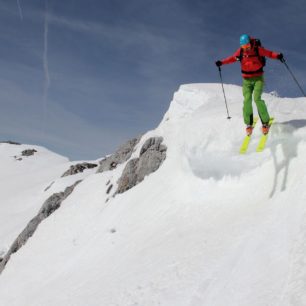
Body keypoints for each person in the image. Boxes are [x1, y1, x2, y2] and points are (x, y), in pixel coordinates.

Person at [215, 34, 284, 135]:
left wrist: (278, 56)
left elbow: (269, 53)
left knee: (257, 98)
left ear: (250, 43)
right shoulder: (241, 52)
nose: (246, 48)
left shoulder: (257, 49)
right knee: (247, 100)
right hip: (246, 80)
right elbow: (232, 58)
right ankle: (248, 124)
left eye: (247, 46)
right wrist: (221, 62)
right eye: (243, 47)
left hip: (258, 79)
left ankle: (265, 122)